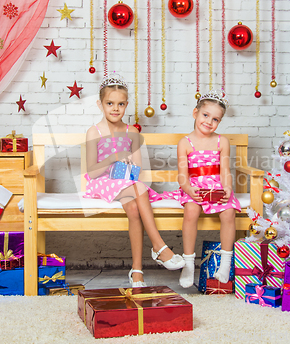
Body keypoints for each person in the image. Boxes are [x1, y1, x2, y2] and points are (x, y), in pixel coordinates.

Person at [84, 73, 185, 287]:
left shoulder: (131, 132)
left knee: (133, 209)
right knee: (138, 189)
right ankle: (159, 246)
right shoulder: (94, 132)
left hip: (126, 182)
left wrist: (128, 164)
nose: (115, 108)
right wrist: (115, 158)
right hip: (101, 181)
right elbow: (92, 172)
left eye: (120, 104)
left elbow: (137, 171)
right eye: (109, 103)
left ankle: (137, 271)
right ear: (100, 104)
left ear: (127, 105)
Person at [165, 89, 241, 288]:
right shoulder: (185, 143)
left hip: (216, 186)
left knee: (229, 212)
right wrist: (188, 189)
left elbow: (225, 170)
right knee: (191, 211)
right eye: (205, 115)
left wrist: (227, 188)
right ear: (195, 113)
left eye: (215, 119)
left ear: (219, 122)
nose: (209, 122)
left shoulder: (221, 141)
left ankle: (226, 262)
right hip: (194, 187)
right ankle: (188, 263)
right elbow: (183, 174)